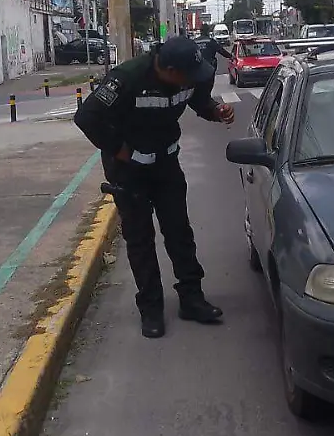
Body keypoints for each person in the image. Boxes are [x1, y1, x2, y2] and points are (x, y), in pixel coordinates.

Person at [74, 35, 236, 339]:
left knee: (179, 231)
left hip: (165, 163)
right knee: (140, 239)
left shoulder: (191, 73)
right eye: (188, 76)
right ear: (169, 69)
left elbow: (199, 100)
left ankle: (192, 298)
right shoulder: (128, 78)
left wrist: (215, 110)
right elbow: (86, 117)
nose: (193, 80)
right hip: (128, 169)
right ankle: (150, 308)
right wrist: (119, 151)